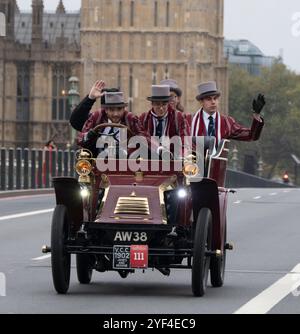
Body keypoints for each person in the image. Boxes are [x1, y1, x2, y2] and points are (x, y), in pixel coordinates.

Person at [191, 81, 265, 147]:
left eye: (215, 98)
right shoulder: (190, 121)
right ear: (201, 102)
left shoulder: (226, 122)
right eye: (209, 99)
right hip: (196, 162)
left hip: (217, 162)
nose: (213, 102)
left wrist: (256, 115)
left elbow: (251, 136)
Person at [77, 91, 151, 157]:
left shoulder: (130, 118)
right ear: (106, 110)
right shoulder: (97, 117)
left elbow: (143, 136)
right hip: (97, 159)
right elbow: (81, 137)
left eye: (119, 109)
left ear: (124, 109)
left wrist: (130, 148)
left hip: (126, 162)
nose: (116, 114)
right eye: (112, 110)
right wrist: (89, 135)